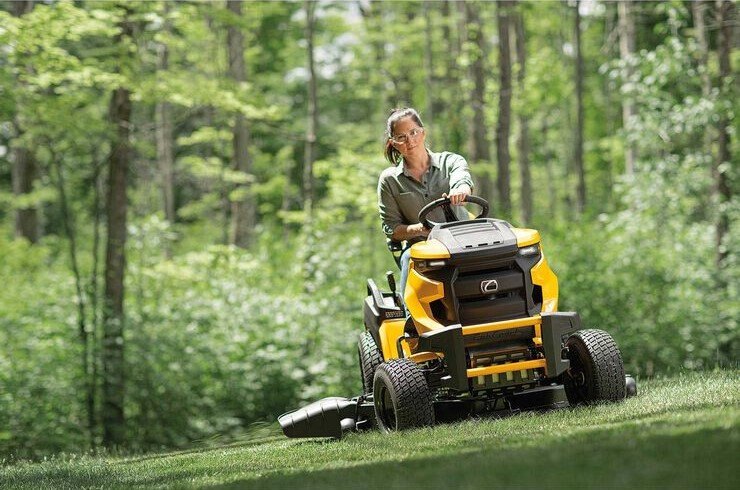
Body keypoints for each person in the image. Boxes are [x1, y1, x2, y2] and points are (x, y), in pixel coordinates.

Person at [377, 107, 474, 299]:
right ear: (393, 143)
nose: (410, 141)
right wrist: (420, 229)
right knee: (408, 257)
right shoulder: (389, 181)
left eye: (413, 132)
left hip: (463, 241)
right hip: (423, 249)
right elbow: (391, 229)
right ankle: (410, 314)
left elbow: (462, 177)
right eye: (401, 137)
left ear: (423, 133)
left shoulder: (450, 161)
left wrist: (461, 190)